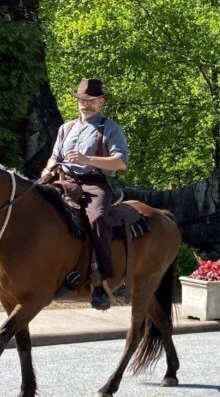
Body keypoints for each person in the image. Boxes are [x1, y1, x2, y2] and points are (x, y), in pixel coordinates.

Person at [41, 78, 129, 310]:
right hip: (65, 181)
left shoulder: (109, 128)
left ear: (101, 102)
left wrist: (86, 159)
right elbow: (55, 156)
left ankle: (102, 278)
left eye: (91, 100)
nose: (86, 104)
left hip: (95, 183)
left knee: (97, 218)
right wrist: (49, 167)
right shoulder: (65, 128)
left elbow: (120, 163)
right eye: (82, 99)